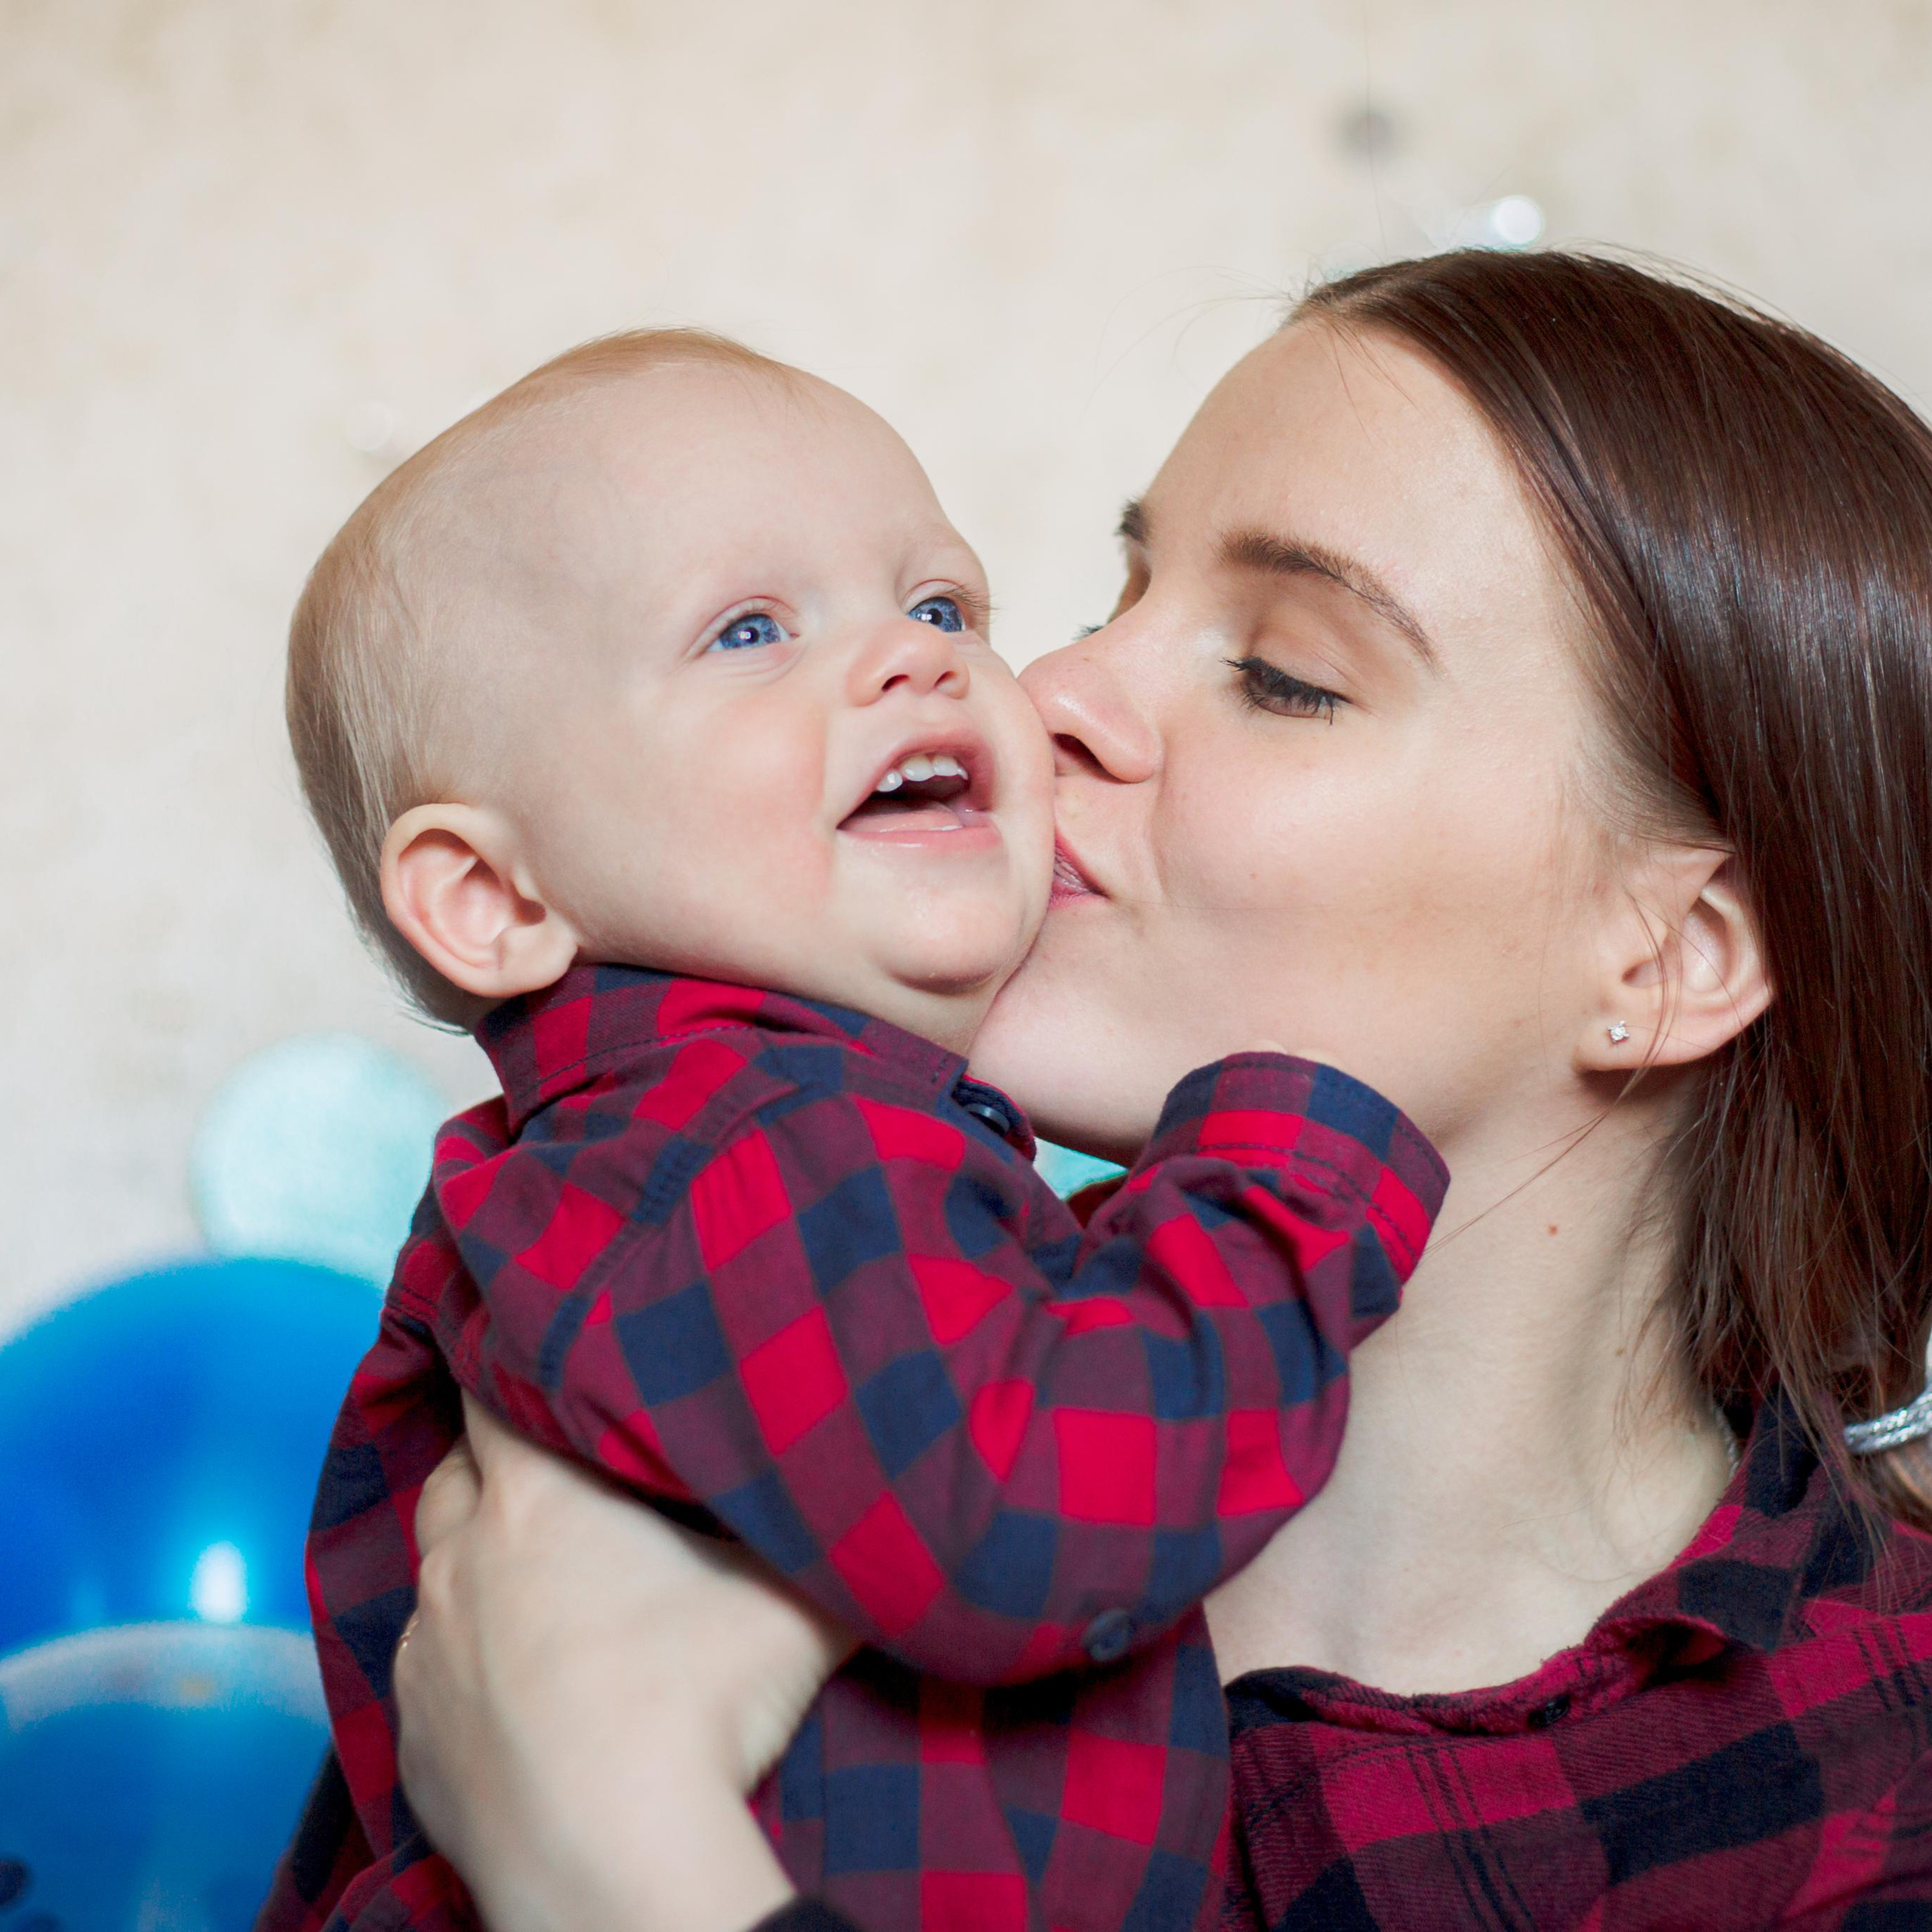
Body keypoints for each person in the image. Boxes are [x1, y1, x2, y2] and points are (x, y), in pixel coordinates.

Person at [380, 248, 1932, 1931]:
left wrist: (604, 1848)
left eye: (1279, 671)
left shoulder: (1880, 1784)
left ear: (1669, 953)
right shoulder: (742, 1287)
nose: (1043, 694)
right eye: (1110, 595)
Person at [258, 328, 1449, 1932]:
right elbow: (1026, 1509)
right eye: (748, 629)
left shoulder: (792, 1149)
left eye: (944, 601)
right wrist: (1287, 1174)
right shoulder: (736, 1141)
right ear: (492, 896)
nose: (920, 657)